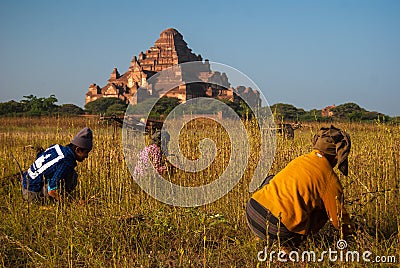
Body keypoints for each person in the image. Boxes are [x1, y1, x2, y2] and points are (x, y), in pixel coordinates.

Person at [246, 125, 354, 248]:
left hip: (252, 210)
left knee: (272, 179)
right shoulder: (330, 179)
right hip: (277, 227)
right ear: (337, 156)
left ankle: (259, 237)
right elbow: (339, 220)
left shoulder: (301, 159)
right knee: (324, 209)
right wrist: (354, 235)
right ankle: (288, 247)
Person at [22, 127, 93, 202]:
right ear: (78, 150)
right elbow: (52, 190)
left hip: (25, 184)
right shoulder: (66, 161)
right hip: (32, 193)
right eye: (86, 152)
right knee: (72, 176)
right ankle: (47, 201)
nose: (86, 156)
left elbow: (39, 156)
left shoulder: (56, 147)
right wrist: (73, 202)